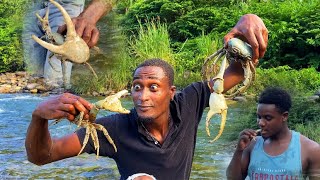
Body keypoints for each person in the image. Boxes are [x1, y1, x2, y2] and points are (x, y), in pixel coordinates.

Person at [25, 14, 268, 179]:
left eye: (153, 87)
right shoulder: (112, 130)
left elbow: (239, 70)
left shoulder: (189, 103)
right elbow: (42, 156)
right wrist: (39, 118)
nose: (142, 96)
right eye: (137, 86)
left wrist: (248, 22)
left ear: (171, 92)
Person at [226, 87, 320, 180]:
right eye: (259, 117)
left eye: (268, 118)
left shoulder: (310, 149)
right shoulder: (252, 144)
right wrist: (239, 150)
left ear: (284, 116)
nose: (260, 123)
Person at [22, 0, 114, 88]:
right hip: (32, 7)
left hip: (66, 3)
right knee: (37, 78)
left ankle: (62, 91)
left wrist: (89, 16)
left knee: (53, 81)